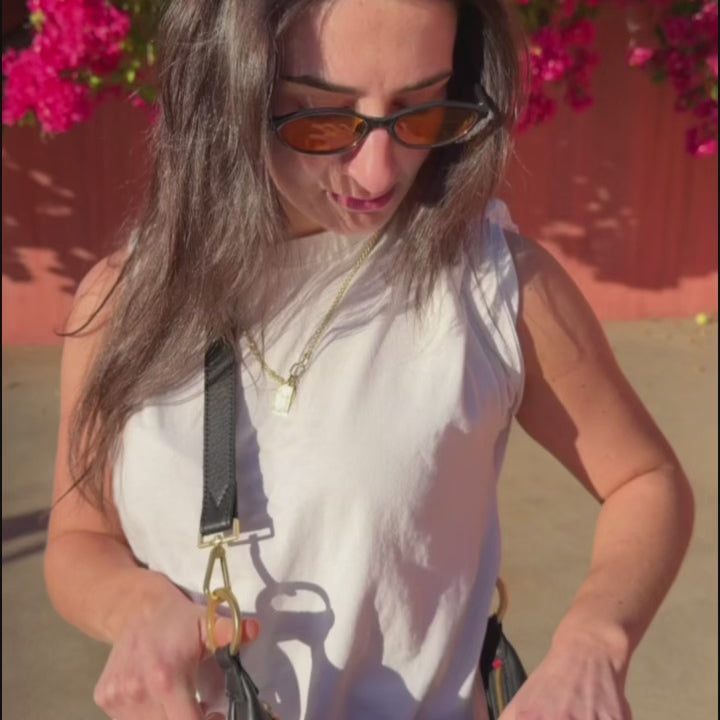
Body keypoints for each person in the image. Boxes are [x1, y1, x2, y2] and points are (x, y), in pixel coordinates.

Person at [44, 0, 695, 718]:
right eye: (322, 117)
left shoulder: (493, 284)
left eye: (421, 110)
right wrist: (135, 610)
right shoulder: (124, 302)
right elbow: (80, 540)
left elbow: (646, 479)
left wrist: (592, 644)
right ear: (226, 89)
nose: (381, 171)